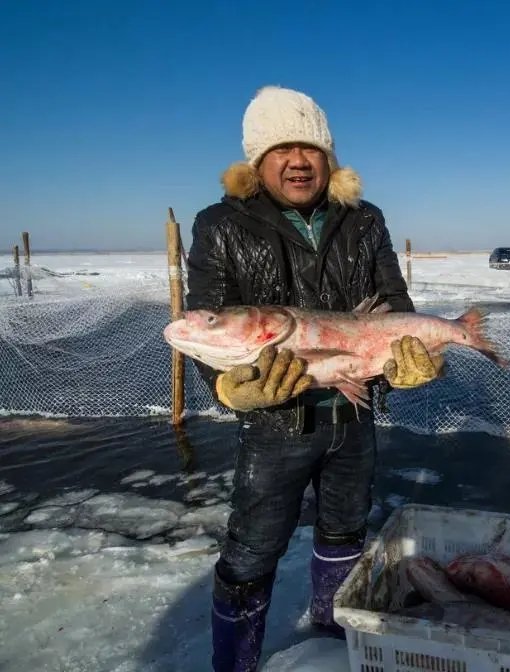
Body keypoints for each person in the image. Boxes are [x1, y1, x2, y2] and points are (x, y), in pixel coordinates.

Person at [184, 85, 444, 672]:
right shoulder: (220, 225)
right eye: (282, 149)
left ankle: (330, 645)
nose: (298, 161)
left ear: (328, 157)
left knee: (346, 532)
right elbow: (212, 321)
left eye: (310, 149)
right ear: (258, 161)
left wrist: (410, 359)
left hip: (353, 415)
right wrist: (226, 386)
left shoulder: (364, 219)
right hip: (275, 422)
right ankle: (236, 665)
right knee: (251, 551)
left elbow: (394, 304)